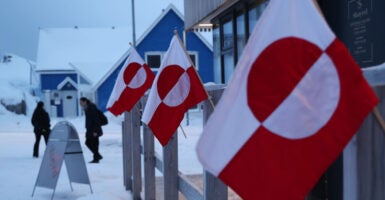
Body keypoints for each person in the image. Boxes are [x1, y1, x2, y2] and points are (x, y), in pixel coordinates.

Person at [79, 97, 103, 163]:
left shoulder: (91, 108)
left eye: (81, 102)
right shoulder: (88, 108)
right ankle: (97, 156)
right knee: (88, 142)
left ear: (85, 102)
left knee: (94, 144)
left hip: (94, 129)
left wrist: (95, 131)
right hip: (90, 129)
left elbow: (96, 120)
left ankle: (96, 158)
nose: (80, 104)